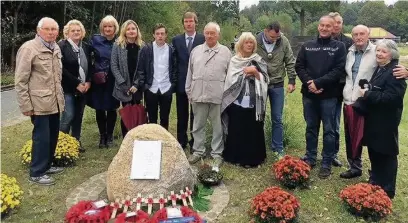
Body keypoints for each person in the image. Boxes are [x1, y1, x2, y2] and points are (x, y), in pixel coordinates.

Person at [15, 17, 65, 185]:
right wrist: (25, 105)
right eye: (47, 29)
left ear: (58, 32)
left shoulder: (56, 47)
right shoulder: (29, 48)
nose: (51, 32)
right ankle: (36, 172)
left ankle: (47, 165)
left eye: (54, 29)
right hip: (39, 104)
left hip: (55, 102)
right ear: (38, 31)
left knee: (52, 136)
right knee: (41, 138)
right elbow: (21, 80)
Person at [295, 15, 346, 179]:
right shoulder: (307, 46)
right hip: (309, 95)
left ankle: (326, 162)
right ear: (318, 27)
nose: (324, 28)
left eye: (328, 26)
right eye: (322, 25)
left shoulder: (339, 47)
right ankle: (310, 158)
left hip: (329, 96)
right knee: (311, 128)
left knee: (329, 130)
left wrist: (319, 83)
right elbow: (299, 66)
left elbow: (338, 70)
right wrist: (310, 83)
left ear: (333, 28)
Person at [354, 39, 406, 199]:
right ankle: (375, 181)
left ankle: (388, 189)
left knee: (387, 154)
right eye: (378, 51)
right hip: (375, 119)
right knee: (375, 150)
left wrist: (367, 94)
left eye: (383, 52)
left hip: (386, 121)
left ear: (392, 54)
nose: (379, 54)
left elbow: (393, 98)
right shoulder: (381, 68)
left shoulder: (395, 71)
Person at [185, 22, 232, 167]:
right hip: (198, 93)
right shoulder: (196, 51)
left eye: (213, 33)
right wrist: (188, 90)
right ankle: (198, 151)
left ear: (218, 34)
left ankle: (217, 153)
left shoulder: (226, 52)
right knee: (198, 125)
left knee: (218, 126)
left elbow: (230, 76)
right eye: (207, 33)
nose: (210, 36)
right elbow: (190, 72)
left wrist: (228, 95)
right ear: (204, 34)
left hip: (218, 96)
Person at [221, 32, 269, 168]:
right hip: (236, 100)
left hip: (254, 101)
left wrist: (255, 73)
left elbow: (265, 79)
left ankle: (253, 159)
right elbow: (230, 80)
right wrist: (243, 75)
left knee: (252, 129)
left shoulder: (258, 60)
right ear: (241, 45)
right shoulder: (234, 61)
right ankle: (235, 157)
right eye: (246, 42)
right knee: (237, 128)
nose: (249, 45)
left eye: (251, 43)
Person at [340, 25, 377, 179]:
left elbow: (391, 65)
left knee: (371, 136)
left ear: (368, 35)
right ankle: (354, 167)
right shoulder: (350, 52)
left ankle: (376, 171)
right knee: (351, 136)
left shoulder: (377, 51)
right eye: (355, 34)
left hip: (368, 101)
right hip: (350, 101)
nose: (358, 37)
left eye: (362, 34)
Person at [256, 21, 296, 159]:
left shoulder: (283, 41)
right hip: (259, 84)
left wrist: (291, 80)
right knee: (258, 116)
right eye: (272, 37)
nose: (275, 39)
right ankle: (257, 146)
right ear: (265, 31)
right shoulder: (255, 41)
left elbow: (290, 60)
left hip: (277, 84)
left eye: (277, 37)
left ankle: (278, 148)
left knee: (277, 118)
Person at [172, 12, 205, 150]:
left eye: (191, 21)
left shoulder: (202, 38)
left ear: (195, 22)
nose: (188, 24)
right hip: (181, 82)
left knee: (196, 114)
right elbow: (173, 62)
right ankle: (181, 140)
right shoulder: (176, 40)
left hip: (197, 82)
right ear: (183, 23)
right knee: (182, 113)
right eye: (186, 21)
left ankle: (194, 142)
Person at [58, 19, 92, 153]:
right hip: (68, 88)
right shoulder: (61, 46)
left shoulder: (86, 47)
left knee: (78, 116)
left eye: (78, 30)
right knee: (68, 116)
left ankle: (75, 142)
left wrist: (88, 81)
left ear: (82, 32)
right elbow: (61, 69)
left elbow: (91, 66)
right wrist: (76, 83)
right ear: (67, 32)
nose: (76, 32)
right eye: (73, 30)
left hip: (84, 89)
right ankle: (61, 145)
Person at [136, 23, 176, 130]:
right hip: (151, 87)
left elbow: (174, 68)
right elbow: (141, 69)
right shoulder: (146, 49)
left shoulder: (171, 50)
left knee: (165, 117)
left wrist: (173, 84)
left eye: (162, 33)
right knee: (152, 118)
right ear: (153, 35)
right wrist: (144, 85)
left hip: (166, 87)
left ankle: (164, 138)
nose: (160, 36)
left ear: (166, 35)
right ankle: (152, 140)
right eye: (157, 33)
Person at [88, 15, 120, 148]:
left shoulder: (119, 41)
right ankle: (102, 137)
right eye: (105, 26)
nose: (107, 29)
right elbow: (87, 57)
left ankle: (110, 136)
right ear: (102, 27)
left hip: (114, 79)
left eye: (110, 26)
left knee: (112, 108)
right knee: (100, 108)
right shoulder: (95, 40)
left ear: (115, 28)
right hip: (99, 79)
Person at [111, 20, 144, 137]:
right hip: (123, 86)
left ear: (137, 30)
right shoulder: (118, 45)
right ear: (124, 31)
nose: (131, 31)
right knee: (126, 112)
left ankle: (137, 137)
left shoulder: (142, 46)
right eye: (128, 29)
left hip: (137, 86)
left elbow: (143, 68)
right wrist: (123, 84)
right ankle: (127, 138)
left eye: (133, 29)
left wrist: (136, 85)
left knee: (137, 111)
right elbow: (114, 66)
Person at [329, 12, 353, 167]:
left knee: (335, 123)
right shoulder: (320, 40)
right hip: (323, 86)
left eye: (339, 22)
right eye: (333, 22)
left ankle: (333, 153)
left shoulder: (349, 42)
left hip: (339, 87)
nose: (336, 25)